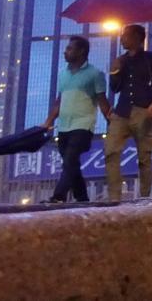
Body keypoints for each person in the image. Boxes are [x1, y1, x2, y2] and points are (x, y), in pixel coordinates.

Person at [41, 36, 111, 203]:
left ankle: (58, 197)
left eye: (70, 48)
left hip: (83, 126)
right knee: (70, 164)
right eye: (66, 48)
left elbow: (102, 101)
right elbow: (60, 100)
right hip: (63, 126)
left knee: (70, 159)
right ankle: (82, 198)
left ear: (81, 52)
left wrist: (112, 123)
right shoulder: (63, 74)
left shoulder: (95, 74)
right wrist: (48, 122)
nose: (66, 51)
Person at [105, 24, 152, 201]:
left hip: (143, 109)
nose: (122, 39)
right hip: (121, 110)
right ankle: (114, 196)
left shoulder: (149, 58)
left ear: (138, 38)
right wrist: (115, 71)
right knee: (111, 151)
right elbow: (115, 88)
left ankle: (144, 196)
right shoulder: (121, 60)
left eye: (126, 36)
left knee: (144, 156)